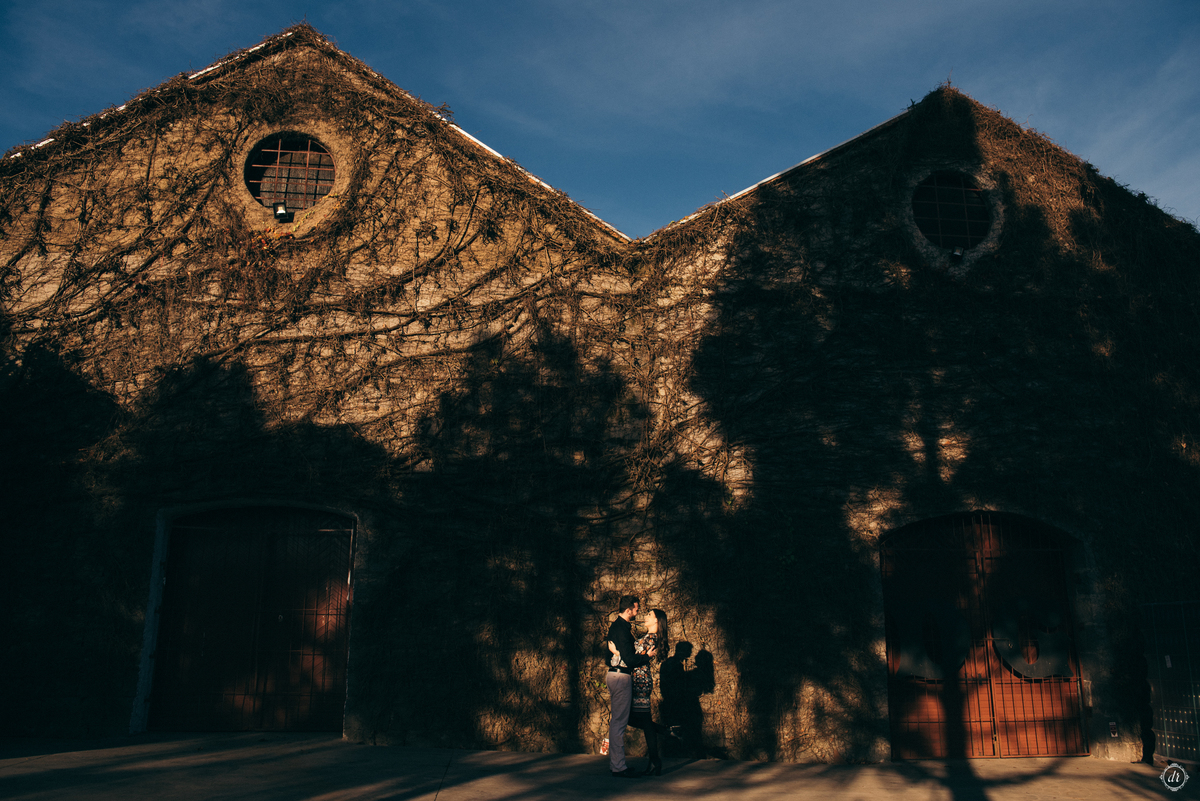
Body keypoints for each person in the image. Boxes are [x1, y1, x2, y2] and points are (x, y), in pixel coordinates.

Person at [611, 607, 675, 775]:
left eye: (649, 615)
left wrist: (617, 652)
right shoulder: (645, 638)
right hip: (635, 680)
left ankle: (655, 761)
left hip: (640, 682)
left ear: (656, 621)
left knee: (642, 720)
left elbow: (634, 658)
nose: (645, 617)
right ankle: (663, 732)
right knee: (633, 719)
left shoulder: (651, 639)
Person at [606, 594, 650, 778]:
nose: (638, 611)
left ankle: (617, 765)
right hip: (621, 677)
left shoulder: (618, 627)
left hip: (615, 676)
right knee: (619, 723)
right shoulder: (621, 629)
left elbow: (611, 655)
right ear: (628, 609)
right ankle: (618, 767)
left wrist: (617, 653)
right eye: (636, 608)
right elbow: (630, 659)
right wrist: (648, 657)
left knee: (618, 721)